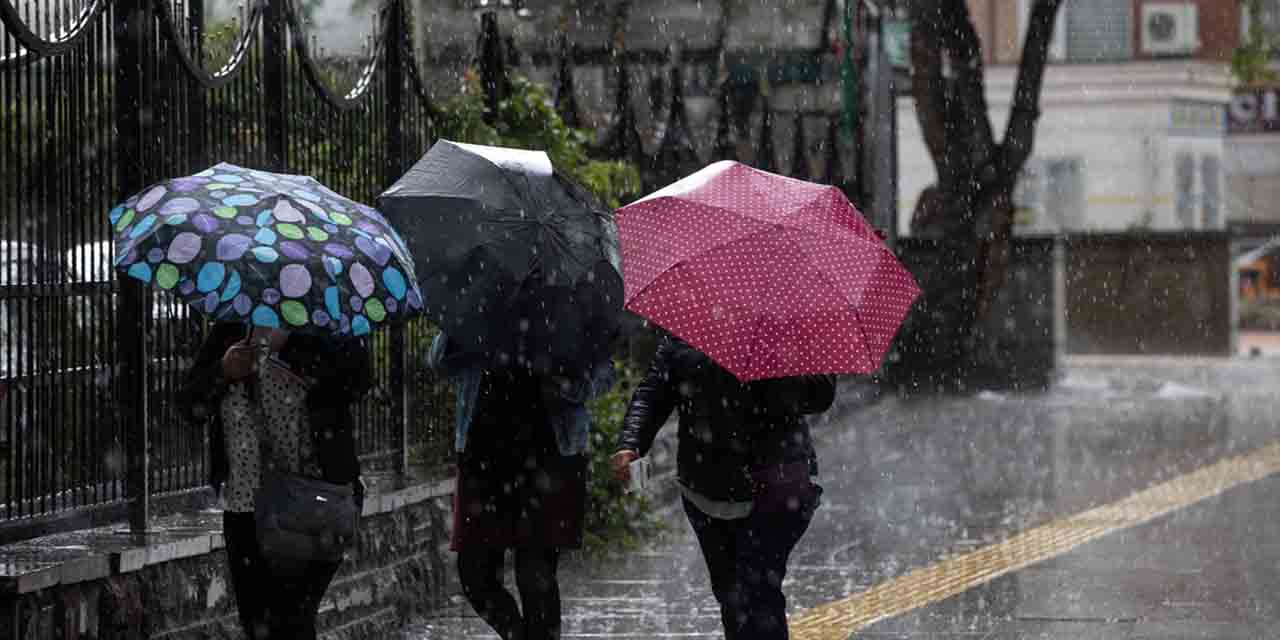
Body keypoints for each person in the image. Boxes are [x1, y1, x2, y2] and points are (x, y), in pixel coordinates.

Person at [611, 334, 835, 640]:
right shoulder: (689, 325)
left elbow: (821, 393)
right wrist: (631, 442)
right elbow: (655, 390)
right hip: (706, 486)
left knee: (759, 594)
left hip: (776, 483)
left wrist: (771, 369)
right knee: (731, 597)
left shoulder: (791, 324)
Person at [179, 322, 372, 640]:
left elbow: (359, 381)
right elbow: (190, 406)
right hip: (245, 508)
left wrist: (293, 349)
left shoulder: (327, 323)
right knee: (259, 624)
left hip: (313, 502)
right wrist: (224, 370)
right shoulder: (233, 328)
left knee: (293, 619)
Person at [427, 332, 614, 640]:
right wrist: (456, 329)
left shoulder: (570, 296)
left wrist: (566, 383)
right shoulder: (481, 296)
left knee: (535, 578)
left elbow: (604, 371)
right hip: (483, 455)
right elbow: (440, 362)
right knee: (476, 576)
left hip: (549, 455)